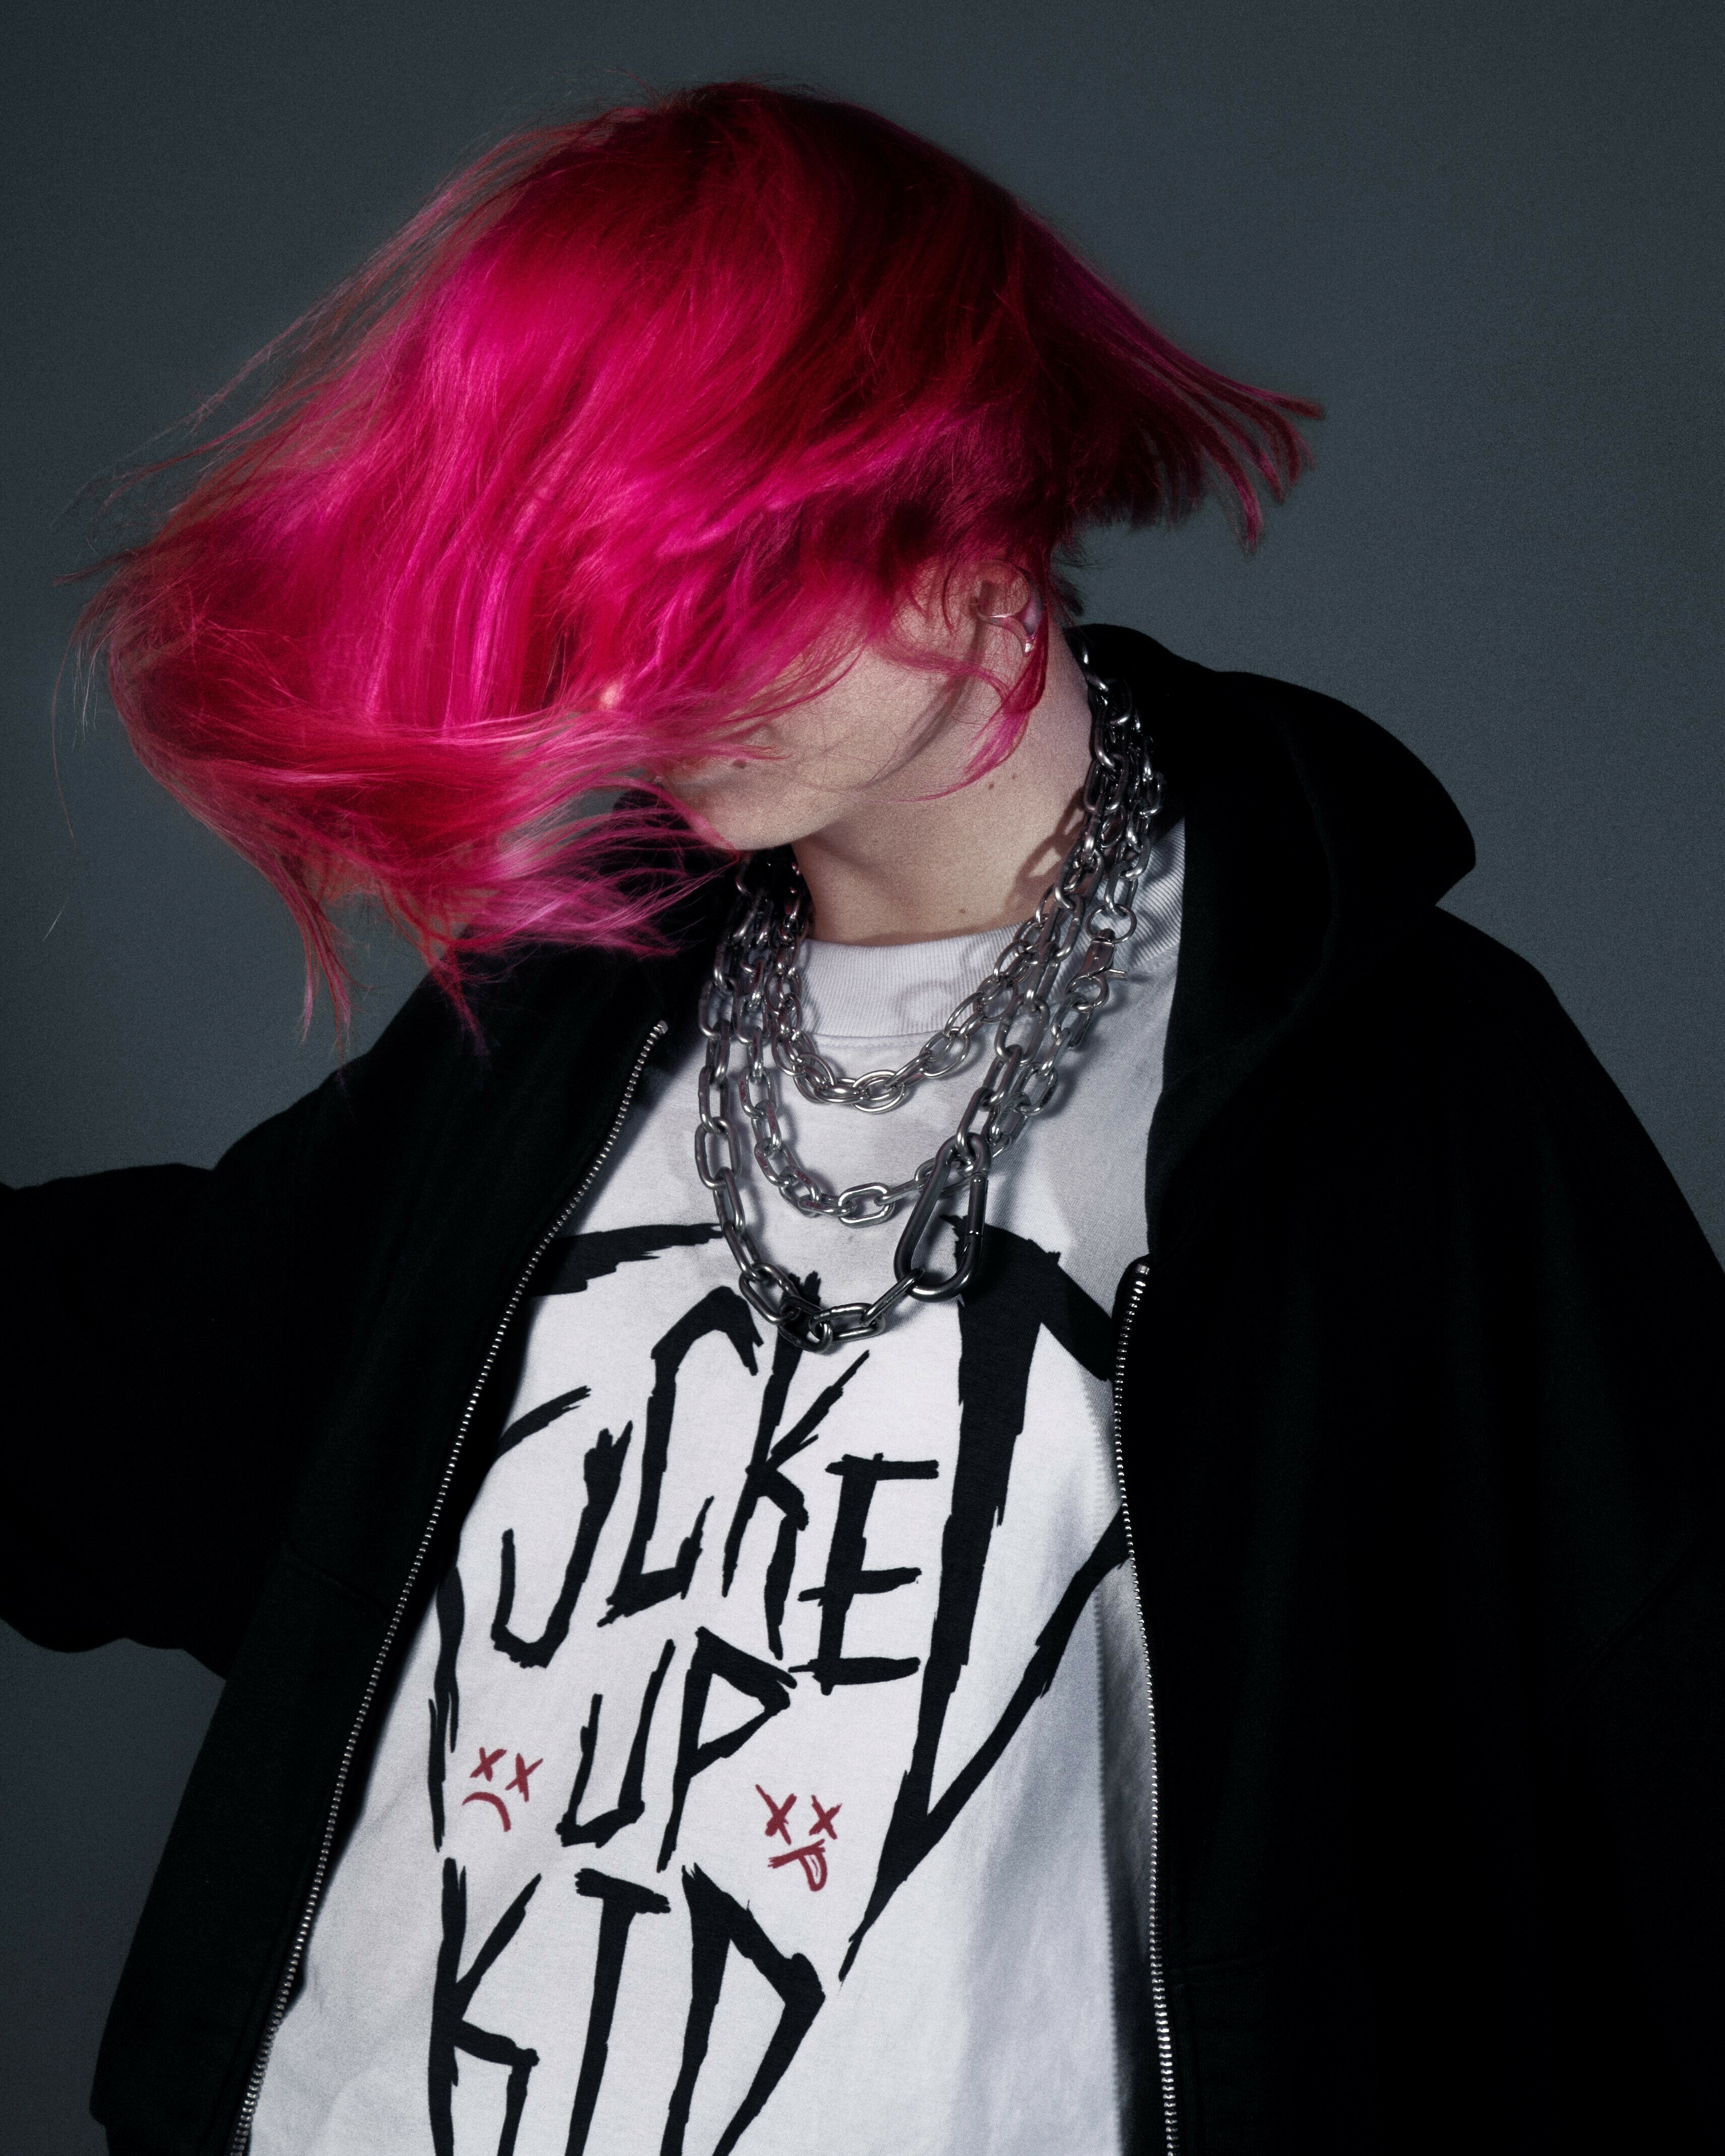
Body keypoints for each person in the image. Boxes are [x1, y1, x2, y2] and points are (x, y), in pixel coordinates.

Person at [2, 79, 1719, 2156]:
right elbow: (145, 1399)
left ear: (966, 499)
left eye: (712, 573)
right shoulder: (554, 1037)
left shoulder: (1389, 1082)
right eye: (580, 584)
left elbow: (1665, 1767)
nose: (624, 676)